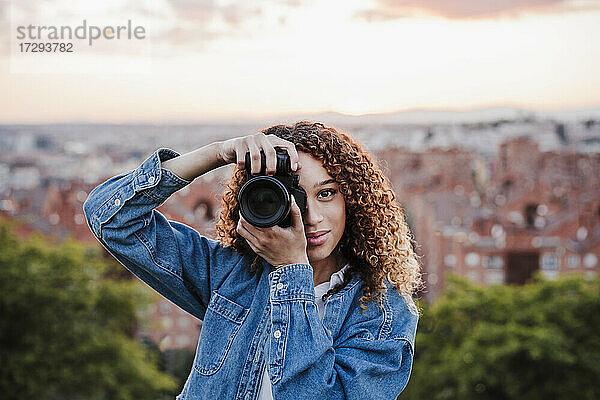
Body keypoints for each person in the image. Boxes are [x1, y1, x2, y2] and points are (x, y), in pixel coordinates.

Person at [83, 121, 423, 400]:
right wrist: (217, 153)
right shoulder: (232, 274)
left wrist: (293, 272)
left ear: (353, 200)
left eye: (327, 193)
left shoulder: (384, 311)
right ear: (262, 201)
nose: (313, 217)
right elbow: (111, 218)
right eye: (295, 197)